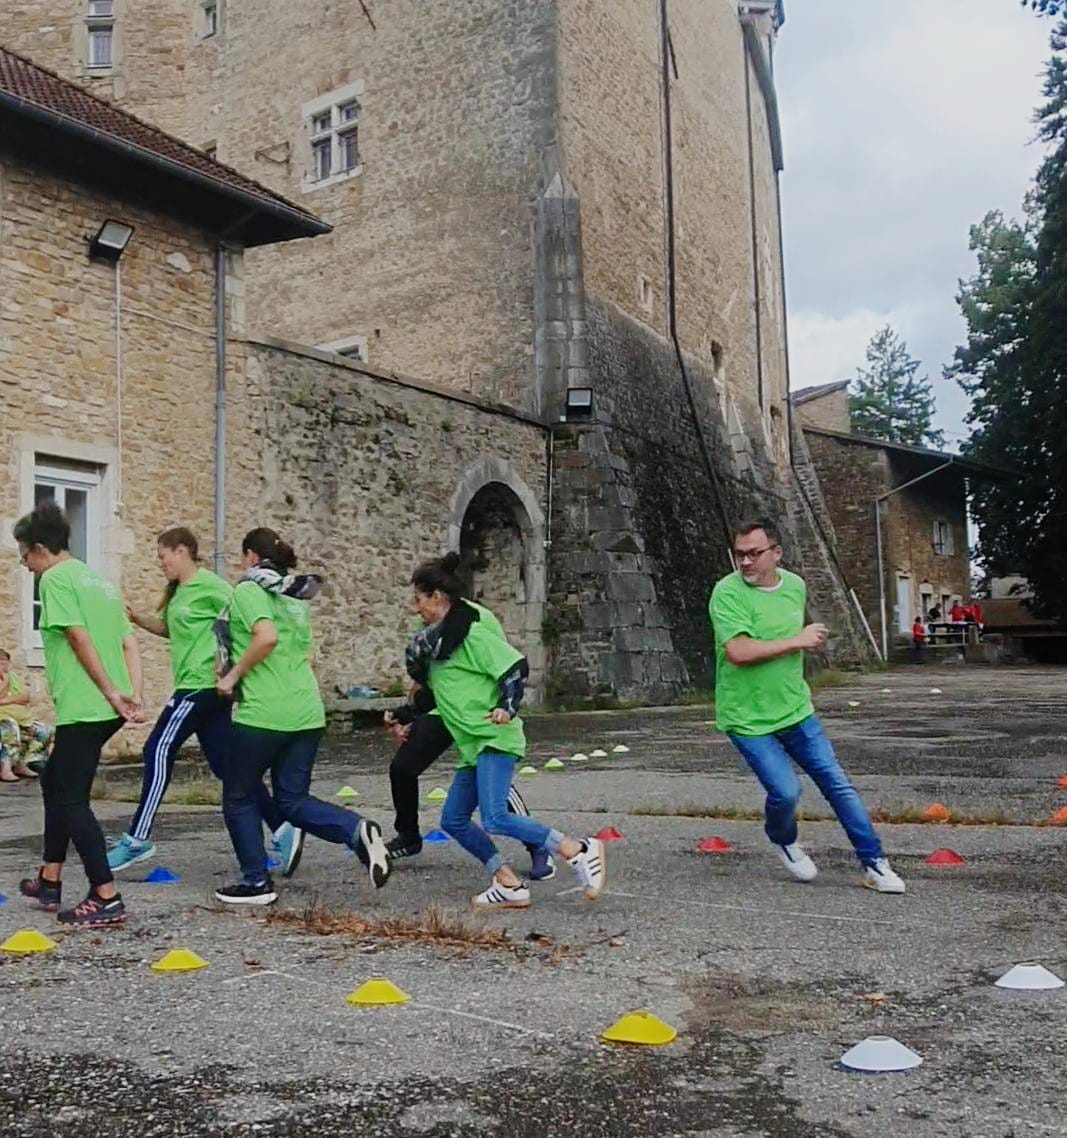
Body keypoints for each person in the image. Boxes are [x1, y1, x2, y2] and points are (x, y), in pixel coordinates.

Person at [708, 519, 905, 894]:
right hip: (747, 718)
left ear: (776, 553)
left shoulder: (795, 586)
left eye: (754, 554)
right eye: (740, 555)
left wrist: (802, 641)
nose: (746, 562)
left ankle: (874, 863)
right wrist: (798, 640)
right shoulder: (727, 592)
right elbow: (738, 651)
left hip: (796, 709)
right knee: (786, 792)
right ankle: (782, 837)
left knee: (838, 784)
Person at [411, 553, 605, 909]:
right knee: (453, 819)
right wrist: (405, 715)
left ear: (437, 597)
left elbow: (514, 666)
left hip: (495, 736)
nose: (416, 609)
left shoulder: (473, 636)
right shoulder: (436, 649)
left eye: (419, 600)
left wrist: (508, 705)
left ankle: (577, 848)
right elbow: (439, 695)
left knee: (496, 816)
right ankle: (508, 883)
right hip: (472, 745)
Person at [106, 528, 301, 875]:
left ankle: (138, 838)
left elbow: (240, 617)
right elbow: (170, 629)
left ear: (182, 551)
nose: (161, 565)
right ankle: (284, 829)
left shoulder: (212, 586)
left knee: (157, 749)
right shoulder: (180, 591)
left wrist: (229, 669)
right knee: (229, 768)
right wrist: (136, 618)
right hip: (198, 689)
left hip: (200, 686)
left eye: (164, 558)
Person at [214, 527, 390, 904]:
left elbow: (265, 637)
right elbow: (309, 656)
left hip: (264, 712)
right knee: (292, 799)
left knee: (239, 795)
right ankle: (356, 830)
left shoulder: (248, 590)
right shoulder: (295, 599)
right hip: (306, 711)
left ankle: (256, 882)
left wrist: (232, 675)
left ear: (249, 556)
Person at [13, 502, 144, 927]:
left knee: (71, 797)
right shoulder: (99, 581)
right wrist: (132, 696)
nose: (25, 566)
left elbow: (76, 636)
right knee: (55, 780)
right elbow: (129, 642)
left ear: (39, 549)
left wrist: (108, 691)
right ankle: (49, 880)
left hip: (88, 705)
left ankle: (105, 894)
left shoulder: (54, 579)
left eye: (24, 557)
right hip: (108, 705)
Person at [384, 606, 555, 881]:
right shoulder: (426, 621)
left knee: (491, 781)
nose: (419, 606)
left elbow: (503, 667)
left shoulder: (478, 618)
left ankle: (537, 844)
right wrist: (407, 713)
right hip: (444, 709)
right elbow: (425, 677)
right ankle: (408, 837)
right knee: (402, 768)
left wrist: (504, 709)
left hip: (478, 712)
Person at [0, 648, 53, 781]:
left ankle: (23, 764)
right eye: (0, 662)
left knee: (44, 731)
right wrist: (5, 683)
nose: (3, 665)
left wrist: (5, 700)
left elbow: (25, 697)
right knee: (10, 729)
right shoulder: (7, 679)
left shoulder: (14, 677)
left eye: (5, 661)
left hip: (23, 718)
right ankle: (5, 768)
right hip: (3, 718)